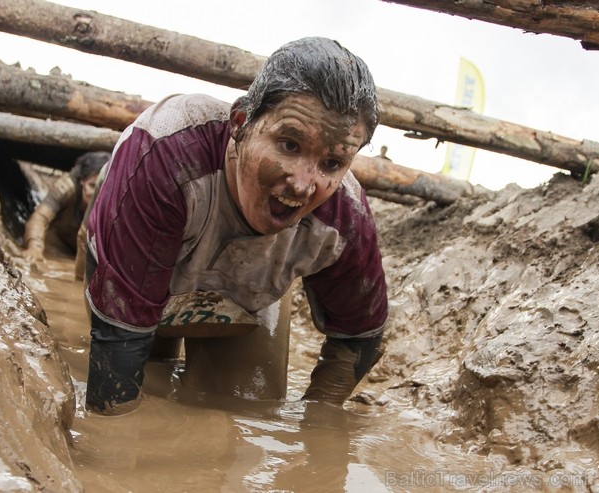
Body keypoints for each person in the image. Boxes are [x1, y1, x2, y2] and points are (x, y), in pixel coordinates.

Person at [84, 37, 388, 415]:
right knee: (142, 371)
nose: (302, 183)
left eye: (331, 164)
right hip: (132, 264)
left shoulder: (346, 220)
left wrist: (315, 426)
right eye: (289, 145)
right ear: (241, 122)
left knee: (244, 411)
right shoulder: (167, 155)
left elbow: (359, 335)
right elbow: (117, 350)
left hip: (245, 297)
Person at [22, 151, 109, 262]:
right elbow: (40, 217)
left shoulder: (115, 200)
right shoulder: (66, 187)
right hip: (57, 247)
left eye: (102, 188)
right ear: (82, 180)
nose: (96, 194)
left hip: (91, 255)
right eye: (92, 186)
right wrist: (35, 247)